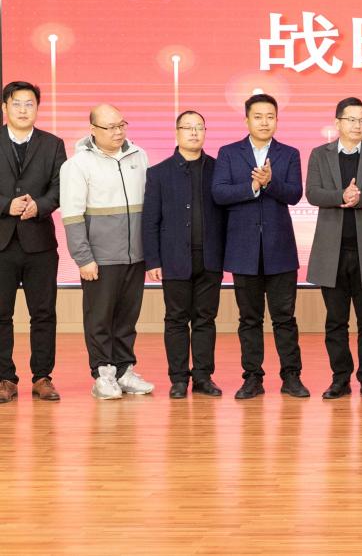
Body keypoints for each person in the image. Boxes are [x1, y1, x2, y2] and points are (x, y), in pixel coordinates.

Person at [212, 93, 308, 400]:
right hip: (243, 251)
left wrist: (269, 182)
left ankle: (291, 376)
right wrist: (253, 186)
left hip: (280, 250)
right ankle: (252, 378)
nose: (264, 122)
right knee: (249, 319)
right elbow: (219, 193)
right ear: (246, 120)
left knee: (285, 318)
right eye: (258, 116)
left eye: (270, 117)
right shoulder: (229, 153)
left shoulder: (289, 154)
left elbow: (294, 194)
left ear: (277, 120)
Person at [61, 104, 154, 399]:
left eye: (121, 125)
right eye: (110, 127)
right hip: (100, 258)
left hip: (135, 255)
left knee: (127, 317)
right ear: (93, 130)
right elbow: (72, 215)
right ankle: (103, 374)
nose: (118, 131)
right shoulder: (77, 165)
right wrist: (83, 258)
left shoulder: (139, 156)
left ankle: (125, 371)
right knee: (99, 318)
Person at [306, 98, 362, 400]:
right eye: (352, 119)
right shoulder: (320, 154)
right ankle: (340, 379)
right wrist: (341, 196)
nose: (358, 125)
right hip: (332, 253)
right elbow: (312, 193)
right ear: (338, 123)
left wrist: (360, 198)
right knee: (336, 321)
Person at [143, 111, 226, 398]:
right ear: (176, 132)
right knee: (176, 319)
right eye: (188, 127)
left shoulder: (219, 169)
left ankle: (203, 376)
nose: (194, 132)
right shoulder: (158, 173)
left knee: (205, 319)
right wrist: (153, 259)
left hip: (211, 257)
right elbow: (150, 220)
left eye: (199, 127)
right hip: (174, 258)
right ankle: (178, 379)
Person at [0, 81, 65, 403]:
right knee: (1, 314)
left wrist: (39, 205)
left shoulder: (53, 144)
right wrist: (5, 205)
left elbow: (61, 187)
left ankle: (42, 377)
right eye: (17, 104)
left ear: (37, 108)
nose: (23, 110)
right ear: (5, 107)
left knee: (43, 313)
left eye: (29, 104)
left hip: (40, 242)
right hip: (2, 243)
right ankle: (4, 379)